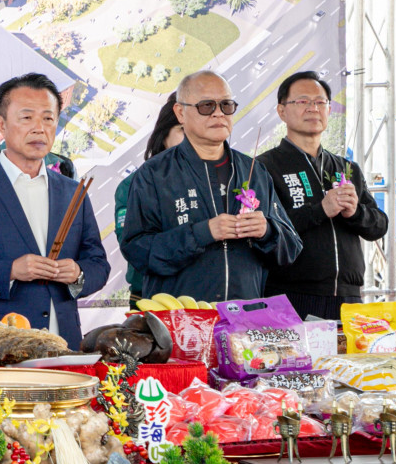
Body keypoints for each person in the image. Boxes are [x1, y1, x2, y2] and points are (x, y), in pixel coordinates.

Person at [0, 74, 108, 346]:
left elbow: (98, 263)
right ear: (1, 124)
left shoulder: (73, 192)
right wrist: (10, 270)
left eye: (48, 118)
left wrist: (78, 273)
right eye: (26, 117)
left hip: (65, 343)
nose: (39, 128)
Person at [120, 71, 301, 304]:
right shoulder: (154, 174)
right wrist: (202, 233)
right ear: (180, 113)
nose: (218, 113)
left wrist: (267, 231)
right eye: (207, 106)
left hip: (243, 316)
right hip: (182, 318)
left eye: (226, 105)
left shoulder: (254, 170)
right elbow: (138, 252)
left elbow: (291, 247)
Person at [258, 71, 388, 320]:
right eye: (303, 101)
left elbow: (379, 226)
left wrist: (355, 212)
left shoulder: (346, 168)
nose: (313, 108)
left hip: (349, 298)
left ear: (329, 109)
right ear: (282, 111)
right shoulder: (265, 166)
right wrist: (320, 210)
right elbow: (265, 231)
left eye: (320, 102)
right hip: (290, 296)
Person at [114, 95, 185, 301]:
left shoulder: (220, 177)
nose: (192, 138)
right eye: (182, 130)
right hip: (151, 297)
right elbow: (135, 248)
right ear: (164, 134)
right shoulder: (133, 185)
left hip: (204, 294)